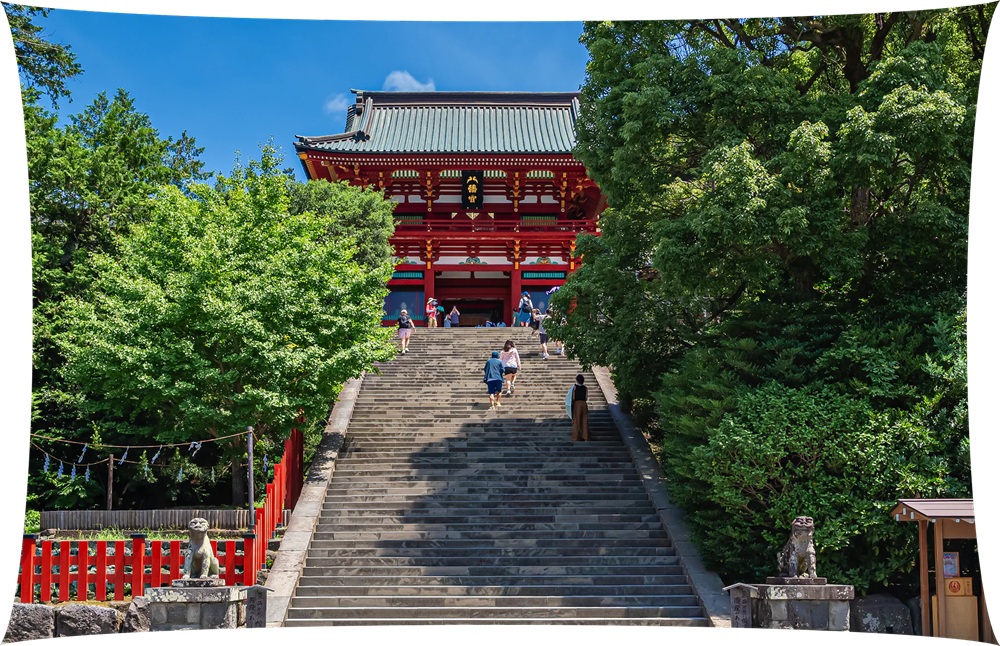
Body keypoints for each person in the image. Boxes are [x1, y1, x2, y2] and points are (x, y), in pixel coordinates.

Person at [571, 374, 589, 441]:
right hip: (584, 404)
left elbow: (573, 397)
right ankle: (585, 436)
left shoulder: (575, 387)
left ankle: (576, 437)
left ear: (577, 380)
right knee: (584, 420)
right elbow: (586, 398)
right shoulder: (585, 388)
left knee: (576, 420)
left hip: (577, 404)